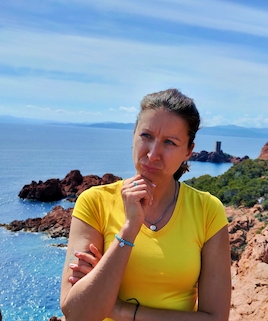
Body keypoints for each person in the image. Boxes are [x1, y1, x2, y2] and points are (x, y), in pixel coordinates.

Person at [60, 89, 231, 321]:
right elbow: (77, 313)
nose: (152, 155)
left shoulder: (208, 211)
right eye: (146, 136)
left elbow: (216, 318)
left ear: (188, 151)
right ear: (133, 136)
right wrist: (129, 228)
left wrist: (121, 311)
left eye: (169, 142)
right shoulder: (94, 203)